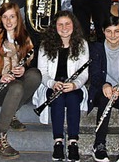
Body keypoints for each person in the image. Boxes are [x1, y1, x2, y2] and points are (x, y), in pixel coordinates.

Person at [0, 2, 41, 159]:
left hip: (16, 86)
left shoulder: (27, 39)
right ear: (0, 19)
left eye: (12, 17)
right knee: (15, 87)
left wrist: (24, 70)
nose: (9, 21)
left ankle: (12, 111)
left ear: (18, 18)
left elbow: (35, 65)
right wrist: (0, 77)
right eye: (5, 17)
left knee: (35, 75)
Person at [32, 11, 89, 162]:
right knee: (56, 99)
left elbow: (84, 74)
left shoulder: (82, 44)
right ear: (55, 27)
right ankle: (58, 142)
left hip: (74, 86)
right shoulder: (45, 45)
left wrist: (75, 85)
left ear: (73, 26)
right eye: (60, 24)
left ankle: (73, 142)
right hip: (52, 85)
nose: (64, 28)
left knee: (72, 97)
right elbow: (42, 73)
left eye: (67, 24)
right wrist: (52, 83)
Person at [89, 16, 119, 162]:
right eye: (109, 31)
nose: (113, 35)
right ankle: (99, 144)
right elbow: (95, 75)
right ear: (103, 31)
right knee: (106, 98)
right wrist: (105, 85)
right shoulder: (96, 47)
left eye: (117, 31)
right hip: (101, 89)